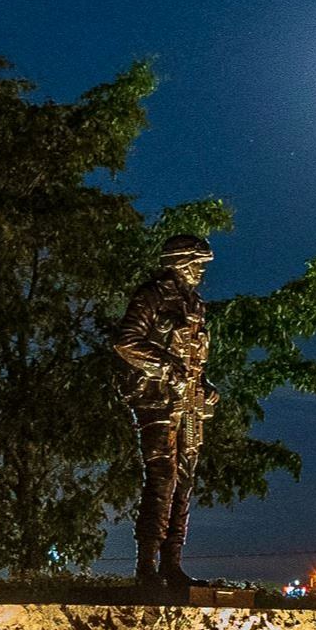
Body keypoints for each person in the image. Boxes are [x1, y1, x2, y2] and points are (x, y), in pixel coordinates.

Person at [113, 235, 217, 592]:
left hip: (189, 402)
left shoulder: (196, 304)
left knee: (185, 478)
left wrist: (206, 384)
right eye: (198, 263)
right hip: (157, 399)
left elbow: (194, 354)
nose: (202, 271)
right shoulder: (152, 296)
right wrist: (165, 365)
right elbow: (127, 342)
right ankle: (146, 564)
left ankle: (173, 563)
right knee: (162, 475)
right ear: (181, 262)